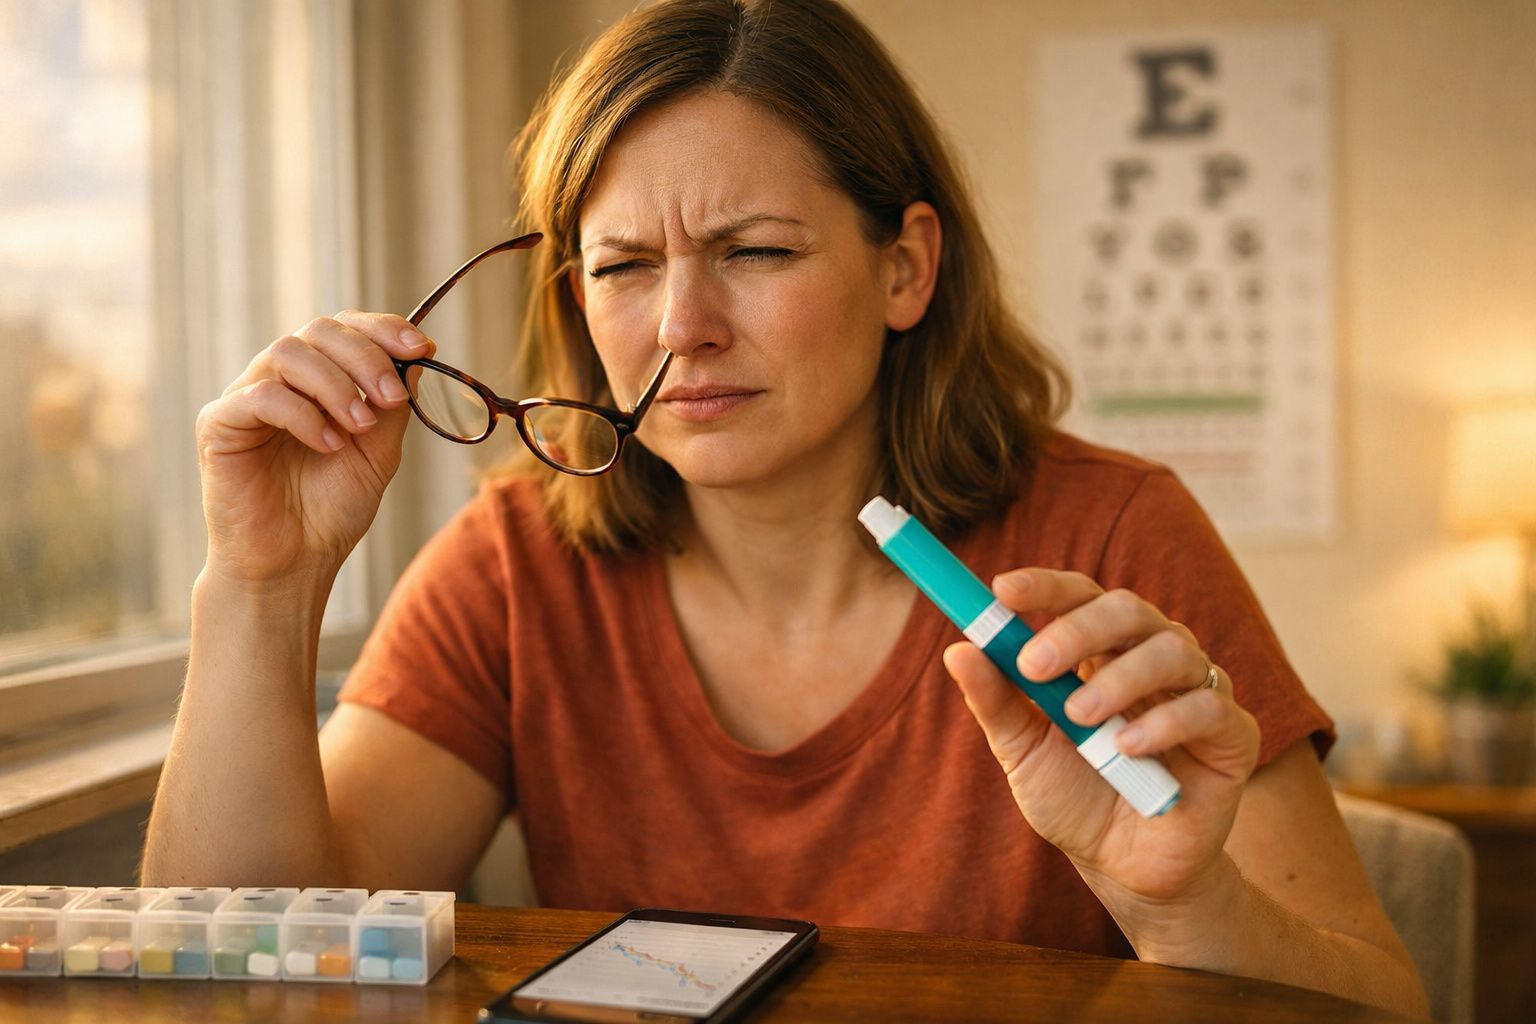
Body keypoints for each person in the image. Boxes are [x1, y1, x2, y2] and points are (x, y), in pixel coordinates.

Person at [142, 0, 1427, 1015]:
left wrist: (1183, 906)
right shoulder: (513, 564)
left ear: (905, 267)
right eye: (625, 266)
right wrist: (262, 584)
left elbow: (1384, 1003)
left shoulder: (1112, 537)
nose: (682, 328)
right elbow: (241, 962)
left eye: (754, 251)